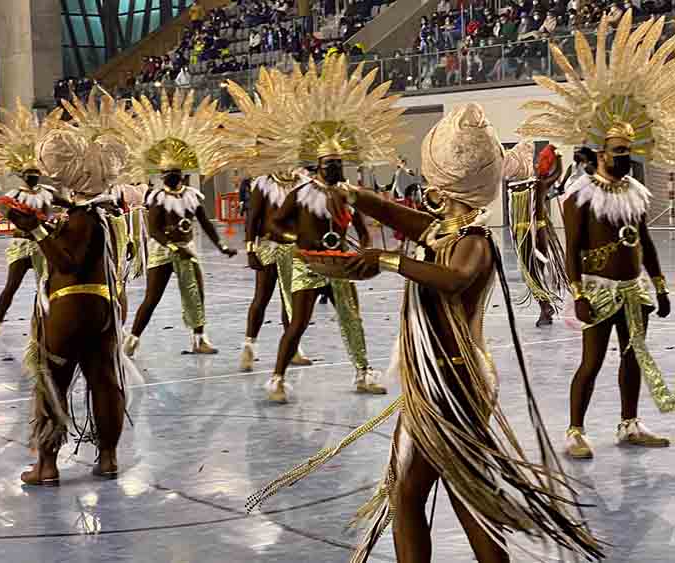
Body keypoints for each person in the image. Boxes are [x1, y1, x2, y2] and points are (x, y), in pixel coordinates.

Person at [247, 104, 603, 563]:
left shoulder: (474, 239)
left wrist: (386, 260)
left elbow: (455, 280)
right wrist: (347, 191)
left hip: (454, 383)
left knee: (443, 493)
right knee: (441, 493)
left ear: (442, 184)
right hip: (434, 381)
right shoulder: (441, 230)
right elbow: (395, 214)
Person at [519, 9, 675, 459]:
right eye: (618, 151)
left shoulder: (635, 191)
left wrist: (660, 286)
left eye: (630, 150)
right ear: (600, 152)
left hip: (634, 289)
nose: (625, 157)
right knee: (592, 361)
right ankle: (574, 430)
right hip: (597, 290)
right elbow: (572, 248)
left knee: (632, 357)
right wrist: (577, 293)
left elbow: (643, 240)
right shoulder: (579, 197)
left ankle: (629, 422)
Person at [226, 57, 393, 402]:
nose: (334, 168)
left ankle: (363, 372)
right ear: (317, 164)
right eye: (329, 164)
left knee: (352, 318)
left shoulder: (347, 194)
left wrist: (363, 247)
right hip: (306, 263)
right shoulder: (301, 193)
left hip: (340, 262)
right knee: (298, 321)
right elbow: (273, 222)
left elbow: (363, 226)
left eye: (339, 163)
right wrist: (291, 241)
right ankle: (277, 377)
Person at [7, 110, 135, 485]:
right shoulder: (105, 215)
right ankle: (108, 458)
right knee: (104, 379)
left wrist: (35, 231)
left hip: (69, 306)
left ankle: (46, 466)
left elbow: (68, 263)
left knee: (52, 381)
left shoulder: (83, 216)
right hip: (103, 308)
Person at [117, 90, 238, 358]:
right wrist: (172, 247)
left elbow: (204, 223)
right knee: (152, 298)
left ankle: (200, 339)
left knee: (196, 294)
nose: (172, 177)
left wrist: (221, 246)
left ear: (183, 173)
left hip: (188, 248)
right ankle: (133, 339)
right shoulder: (157, 198)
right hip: (163, 253)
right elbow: (154, 230)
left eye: (176, 173)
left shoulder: (192, 195)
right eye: (167, 173)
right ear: (161, 175)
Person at [0, 100, 61, 337]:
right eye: (29, 175)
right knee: (11, 285)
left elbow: (54, 212)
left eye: (36, 174)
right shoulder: (13, 195)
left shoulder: (47, 194)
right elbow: (11, 215)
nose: (33, 178)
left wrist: (50, 223)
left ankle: (48, 321)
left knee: (46, 284)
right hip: (21, 245)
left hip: (42, 244)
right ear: (21, 175)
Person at [241, 171, 313, 371]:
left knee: (291, 301)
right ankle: (249, 345)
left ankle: (293, 349)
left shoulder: (305, 183)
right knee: (261, 298)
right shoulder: (263, 183)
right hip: (269, 247)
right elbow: (253, 218)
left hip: (296, 250)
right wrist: (250, 250)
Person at [504, 141, 568, 326]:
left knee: (531, 272)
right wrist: (559, 156)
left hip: (522, 233)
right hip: (540, 232)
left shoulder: (512, 187)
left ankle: (545, 306)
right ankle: (544, 306)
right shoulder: (538, 184)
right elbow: (556, 174)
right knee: (536, 270)